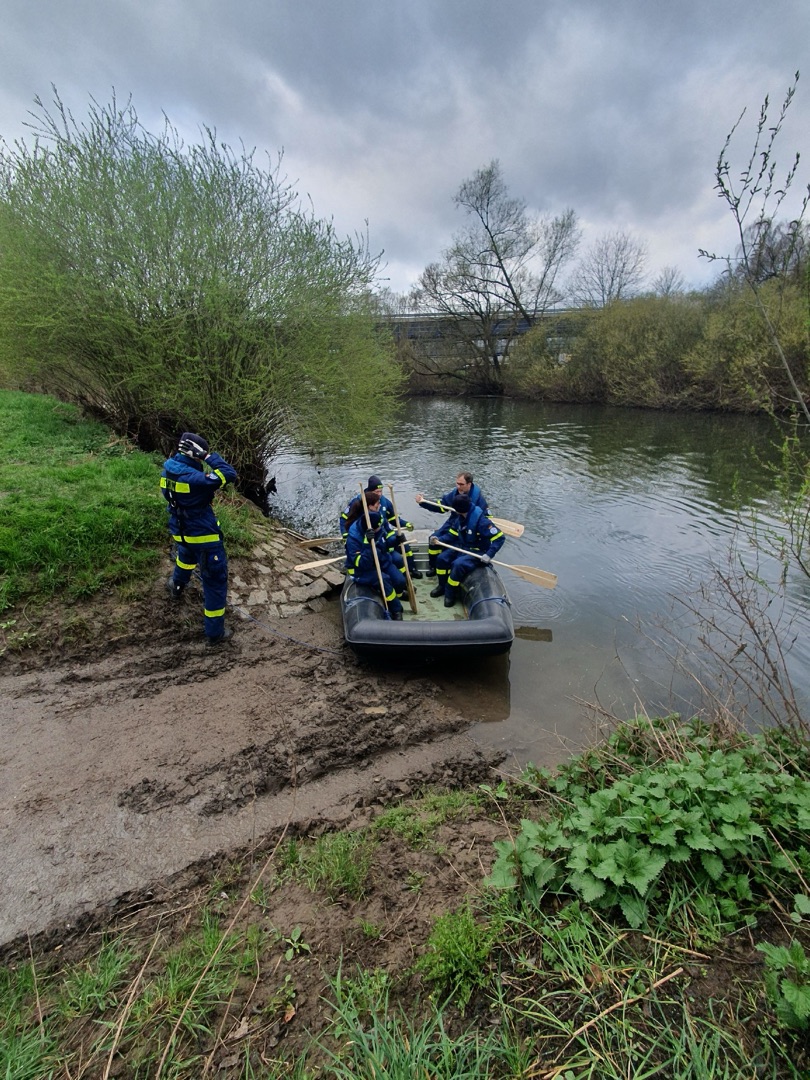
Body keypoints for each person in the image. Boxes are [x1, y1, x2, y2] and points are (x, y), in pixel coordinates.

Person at [161, 432, 238, 645]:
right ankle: (215, 633)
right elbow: (229, 474)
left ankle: (176, 586)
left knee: (185, 557)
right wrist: (207, 456)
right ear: (194, 452)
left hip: (181, 532)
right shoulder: (194, 479)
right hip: (204, 537)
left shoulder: (167, 470)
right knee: (215, 582)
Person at [428, 492, 504, 607]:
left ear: (459, 509)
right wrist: (439, 539)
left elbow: (500, 538)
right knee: (441, 558)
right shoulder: (460, 518)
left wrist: (489, 554)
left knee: (458, 565)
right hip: (462, 546)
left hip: (477, 550)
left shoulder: (482, 522)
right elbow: (452, 534)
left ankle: (450, 594)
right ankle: (442, 586)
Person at [339, 474, 422, 577]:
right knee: (395, 559)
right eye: (376, 492)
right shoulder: (359, 501)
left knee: (404, 545)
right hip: (368, 536)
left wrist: (405, 524)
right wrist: (345, 535)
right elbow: (344, 519)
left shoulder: (384, 502)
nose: (379, 494)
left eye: (381, 491)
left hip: (383, 533)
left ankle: (411, 569)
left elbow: (393, 518)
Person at [415, 472, 489, 576]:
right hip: (453, 522)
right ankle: (433, 566)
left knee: (452, 545)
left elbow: (486, 521)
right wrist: (423, 502)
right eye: (457, 483)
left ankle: (450, 566)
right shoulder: (455, 493)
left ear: (469, 484)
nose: (458, 487)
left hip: (467, 527)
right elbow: (441, 506)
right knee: (433, 539)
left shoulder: (479, 500)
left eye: (461, 484)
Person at [344, 502, 406, 620]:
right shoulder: (353, 539)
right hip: (363, 570)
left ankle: (398, 595)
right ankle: (396, 609)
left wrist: (396, 541)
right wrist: (367, 544)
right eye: (378, 527)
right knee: (384, 579)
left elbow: (385, 545)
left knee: (400, 581)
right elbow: (362, 564)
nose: (381, 528)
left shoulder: (378, 528)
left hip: (380, 560)